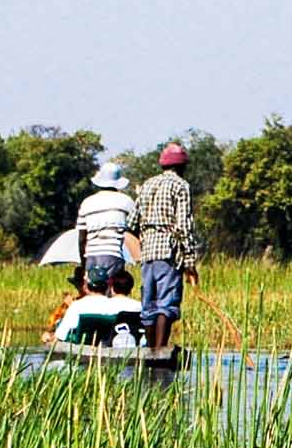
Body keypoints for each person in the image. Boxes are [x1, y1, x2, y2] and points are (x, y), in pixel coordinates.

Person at [134, 142, 201, 352]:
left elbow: (132, 221)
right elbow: (184, 226)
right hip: (168, 252)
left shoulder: (147, 185)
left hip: (147, 253)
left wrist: (145, 239)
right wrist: (190, 262)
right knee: (166, 303)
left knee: (149, 304)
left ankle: (150, 350)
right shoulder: (181, 186)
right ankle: (160, 351)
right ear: (181, 167)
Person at [74, 163, 135, 291]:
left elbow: (81, 239)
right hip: (113, 254)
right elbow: (135, 227)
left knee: (93, 295)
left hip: (91, 256)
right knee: (111, 295)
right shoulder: (126, 201)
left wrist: (83, 263)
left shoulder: (87, 202)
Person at [55, 266, 145, 347]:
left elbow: (60, 336)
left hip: (86, 348)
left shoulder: (77, 305)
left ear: (86, 286)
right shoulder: (114, 305)